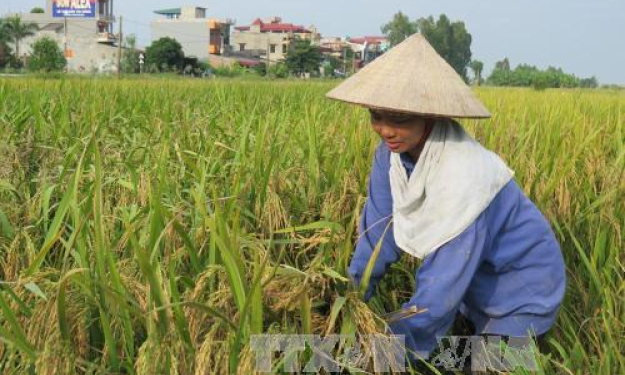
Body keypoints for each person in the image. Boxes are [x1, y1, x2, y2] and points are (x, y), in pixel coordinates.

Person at [326, 34, 566, 372]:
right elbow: (379, 232)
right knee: (421, 353)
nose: (385, 130)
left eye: (399, 118)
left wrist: (380, 346)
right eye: (376, 116)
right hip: (474, 290)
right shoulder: (389, 158)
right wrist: (348, 302)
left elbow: (441, 288)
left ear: (430, 115)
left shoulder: (467, 176)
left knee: (469, 366)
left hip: (524, 295)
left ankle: (517, 341)